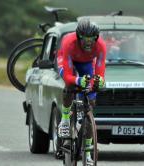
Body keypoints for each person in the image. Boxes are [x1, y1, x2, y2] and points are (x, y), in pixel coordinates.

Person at [57, 19, 106, 165]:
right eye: (85, 39)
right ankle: (65, 120)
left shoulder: (101, 46)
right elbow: (67, 75)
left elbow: (100, 71)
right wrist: (78, 81)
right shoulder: (68, 42)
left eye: (92, 39)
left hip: (86, 63)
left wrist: (99, 81)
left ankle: (88, 152)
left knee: (91, 101)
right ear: (79, 37)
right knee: (70, 86)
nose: (88, 43)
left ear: (96, 38)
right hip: (67, 59)